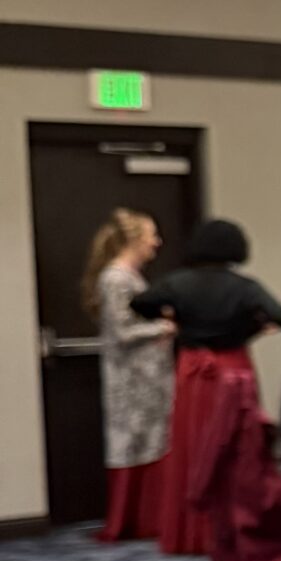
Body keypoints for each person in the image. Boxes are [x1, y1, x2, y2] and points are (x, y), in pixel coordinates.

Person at [133, 218, 281, 561]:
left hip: (193, 372)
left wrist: (174, 319)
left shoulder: (178, 282)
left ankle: (187, 533)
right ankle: (232, 530)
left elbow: (141, 303)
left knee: (191, 446)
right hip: (234, 370)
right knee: (238, 452)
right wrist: (250, 328)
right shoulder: (245, 287)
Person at [83, 209, 175, 542]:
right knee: (131, 440)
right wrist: (163, 327)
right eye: (152, 235)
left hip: (147, 377)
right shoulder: (116, 279)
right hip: (130, 378)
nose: (157, 242)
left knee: (150, 440)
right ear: (134, 240)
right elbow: (120, 331)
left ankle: (149, 518)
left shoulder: (131, 277)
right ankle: (130, 518)